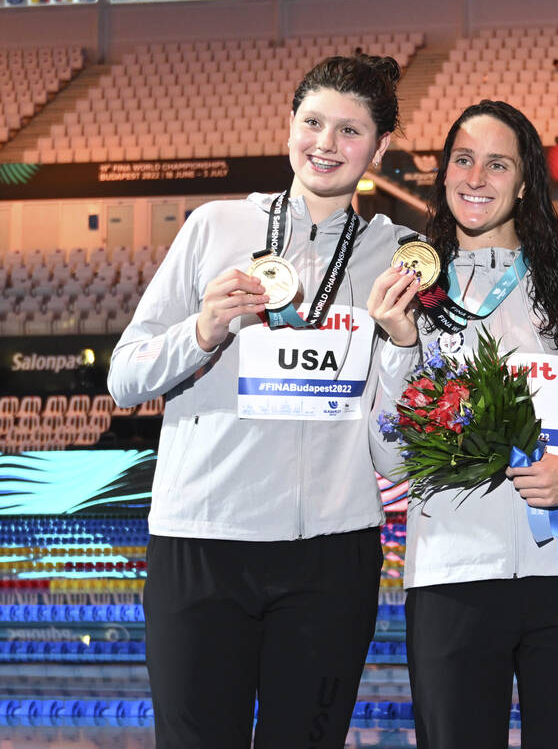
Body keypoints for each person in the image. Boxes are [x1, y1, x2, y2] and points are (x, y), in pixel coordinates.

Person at [107, 54, 408, 748]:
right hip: (203, 540)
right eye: (312, 122)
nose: (326, 144)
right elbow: (126, 377)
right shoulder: (214, 227)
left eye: (350, 130)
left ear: (380, 147)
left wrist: (399, 344)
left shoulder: (398, 256)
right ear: (288, 126)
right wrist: (204, 329)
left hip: (331, 553)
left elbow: (394, 446)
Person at [371, 100, 558, 748]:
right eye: (463, 159)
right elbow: (390, 458)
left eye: (497, 162)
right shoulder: (410, 294)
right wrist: (400, 343)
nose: (476, 176)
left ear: (524, 180)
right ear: (443, 174)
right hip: (452, 569)